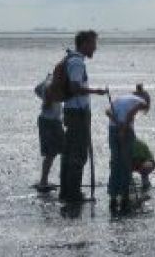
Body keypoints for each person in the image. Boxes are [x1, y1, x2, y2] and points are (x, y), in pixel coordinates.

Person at [59, 30, 107, 202]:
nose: (95, 48)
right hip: (78, 112)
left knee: (69, 152)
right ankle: (74, 194)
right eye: (94, 44)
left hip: (72, 111)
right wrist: (96, 91)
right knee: (78, 153)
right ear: (85, 43)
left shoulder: (71, 59)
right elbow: (74, 87)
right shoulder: (77, 63)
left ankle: (66, 192)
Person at [105, 84, 150, 212]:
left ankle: (113, 198)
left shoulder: (120, 98)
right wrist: (124, 129)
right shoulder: (142, 101)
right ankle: (124, 197)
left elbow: (107, 112)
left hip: (112, 129)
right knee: (126, 163)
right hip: (125, 130)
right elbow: (130, 114)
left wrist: (117, 123)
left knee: (115, 162)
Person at [33, 75, 64, 192]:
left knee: (51, 153)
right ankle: (43, 181)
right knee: (52, 153)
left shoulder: (46, 81)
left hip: (46, 120)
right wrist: (48, 101)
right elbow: (50, 92)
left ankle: (44, 180)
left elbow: (36, 89)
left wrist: (43, 98)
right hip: (51, 121)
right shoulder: (52, 84)